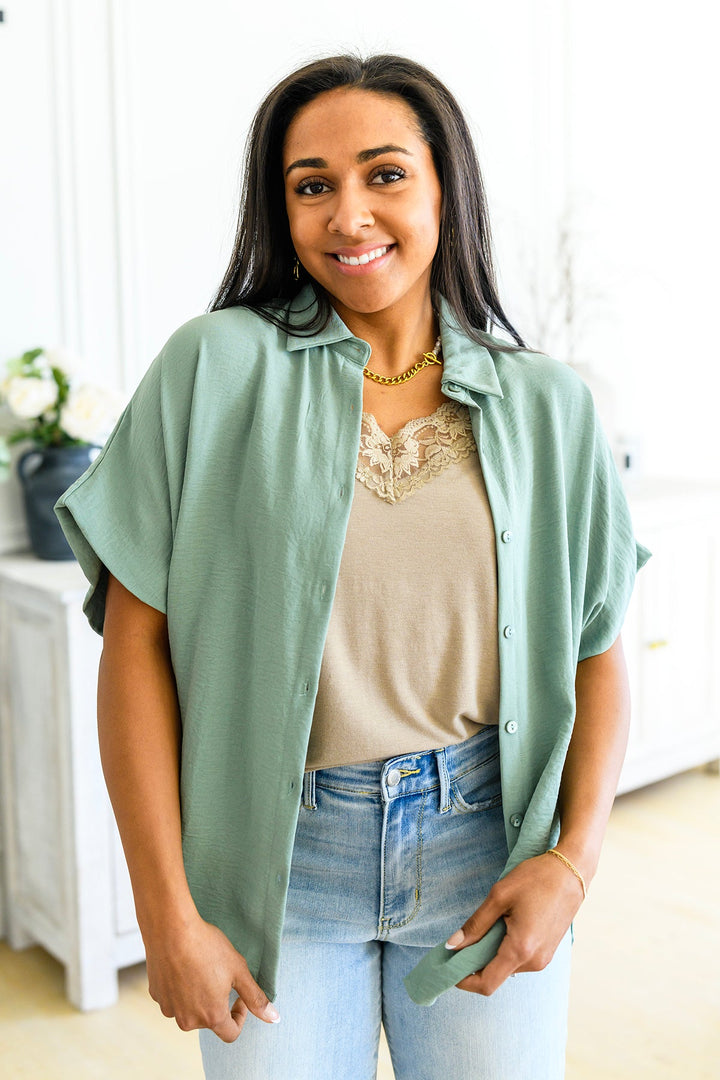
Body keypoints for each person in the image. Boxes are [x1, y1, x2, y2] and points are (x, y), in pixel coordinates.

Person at [55, 53, 650, 1080]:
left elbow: (599, 652)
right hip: (276, 861)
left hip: (485, 848)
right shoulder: (213, 368)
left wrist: (571, 863)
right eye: (312, 185)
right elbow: (135, 647)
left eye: (384, 174)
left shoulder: (554, 407)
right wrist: (167, 911)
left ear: (444, 186)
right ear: (279, 209)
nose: (349, 215)